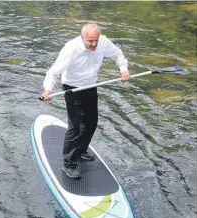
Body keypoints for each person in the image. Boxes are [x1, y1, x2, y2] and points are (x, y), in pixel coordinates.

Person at [41, 23, 131, 179]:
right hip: (72, 88)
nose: (94, 44)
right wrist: (48, 89)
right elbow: (53, 72)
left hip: (91, 85)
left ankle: (81, 151)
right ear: (82, 38)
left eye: (96, 40)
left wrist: (124, 69)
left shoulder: (103, 42)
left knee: (91, 123)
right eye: (90, 41)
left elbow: (118, 54)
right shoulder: (71, 49)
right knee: (74, 128)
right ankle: (69, 164)